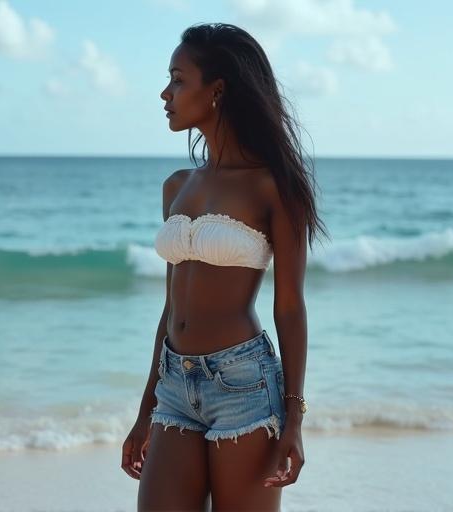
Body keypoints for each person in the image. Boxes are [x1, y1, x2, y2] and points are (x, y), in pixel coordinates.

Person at [122, 22, 329, 511]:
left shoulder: (273, 188)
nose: (165, 93)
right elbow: (171, 305)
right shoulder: (177, 185)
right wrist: (144, 408)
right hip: (175, 384)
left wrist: (294, 420)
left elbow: (291, 308)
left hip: (244, 388)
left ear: (216, 91)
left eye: (177, 80)